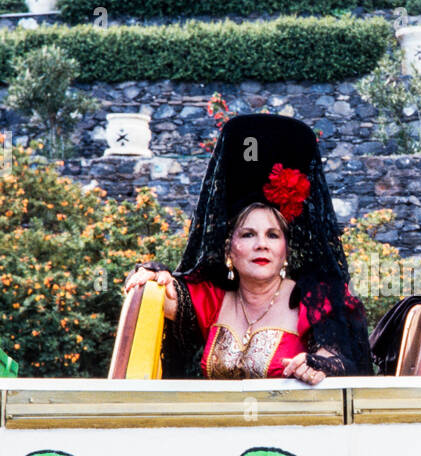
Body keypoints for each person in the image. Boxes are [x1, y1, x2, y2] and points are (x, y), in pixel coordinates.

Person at [123, 113, 372, 384]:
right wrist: (149, 276)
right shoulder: (211, 300)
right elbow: (157, 298)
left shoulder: (315, 299)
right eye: (249, 234)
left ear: (286, 249)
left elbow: (340, 356)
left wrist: (318, 364)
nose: (261, 244)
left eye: (273, 235)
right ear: (230, 248)